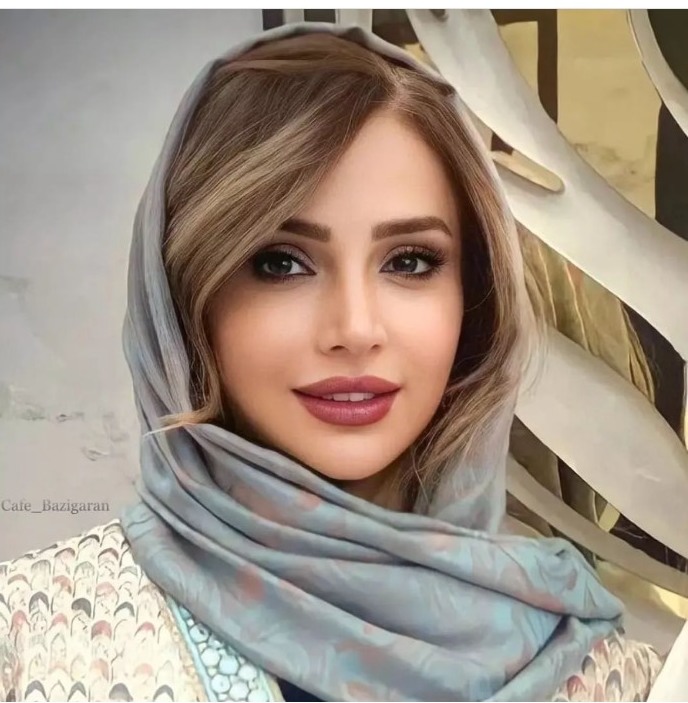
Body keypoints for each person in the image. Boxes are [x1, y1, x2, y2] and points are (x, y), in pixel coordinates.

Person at [0, 21, 666, 702]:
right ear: (183, 298)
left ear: (474, 297)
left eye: (410, 262)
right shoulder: (30, 637)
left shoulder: (601, 674)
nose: (355, 329)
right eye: (280, 263)